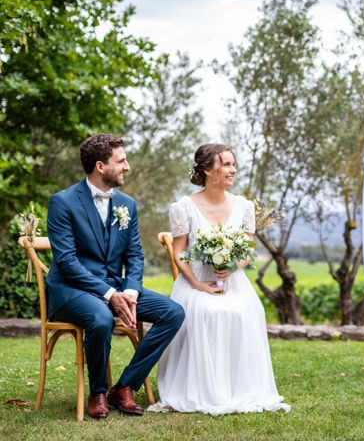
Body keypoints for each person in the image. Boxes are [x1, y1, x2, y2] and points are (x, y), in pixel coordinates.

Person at [46, 133, 185, 419]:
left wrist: (131, 292)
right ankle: (97, 392)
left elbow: (135, 255)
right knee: (100, 318)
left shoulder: (127, 204)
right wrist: (110, 295)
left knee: (172, 312)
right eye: (121, 161)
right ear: (100, 166)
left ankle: (124, 388)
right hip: (71, 291)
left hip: (118, 289)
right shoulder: (62, 202)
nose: (127, 167)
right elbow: (67, 262)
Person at [150, 143, 290, 416]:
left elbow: (249, 252)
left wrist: (231, 266)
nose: (233, 169)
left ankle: (238, 388)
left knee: (245, 310)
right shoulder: (183, 207)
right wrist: (197, 284)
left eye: (233, 164)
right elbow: (179, 254)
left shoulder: (244, 206)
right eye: (225, 164)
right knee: (203, 310)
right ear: (206, 170)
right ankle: (200, 389)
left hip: (233, 280)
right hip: (195, 280)